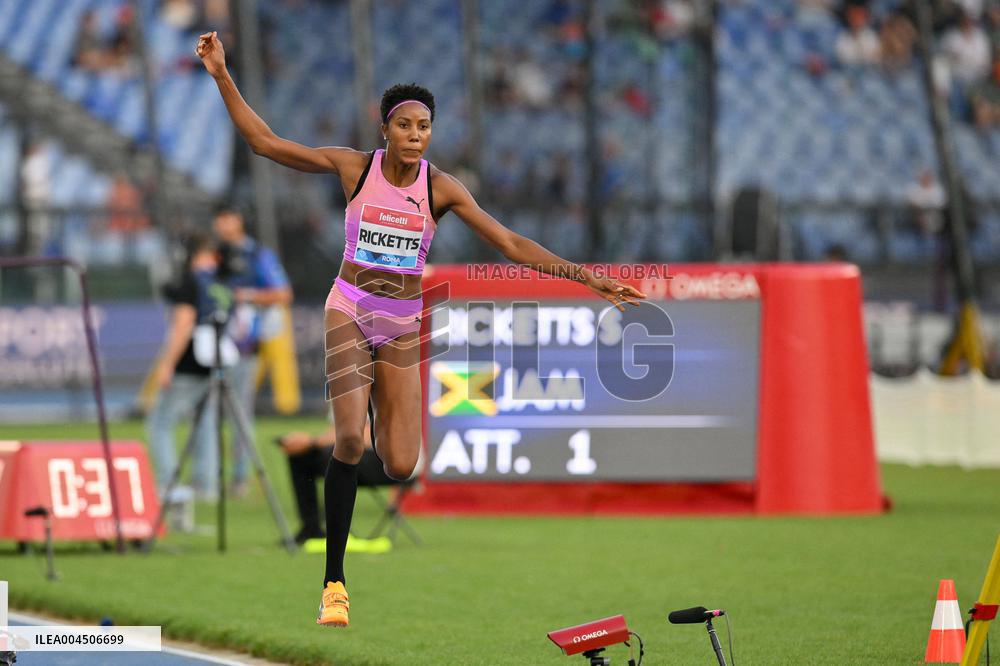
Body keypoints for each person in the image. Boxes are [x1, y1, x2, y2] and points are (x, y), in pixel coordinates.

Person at [196, 30, 646, 628]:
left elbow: (510, 243)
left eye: (424, 127)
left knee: (403, 461)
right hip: (351, 308)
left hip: (402, 325)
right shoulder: (355, 168)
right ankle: (334, 582)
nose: (415, 135)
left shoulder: (442, 188)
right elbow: (263, 142)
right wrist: (223, 73)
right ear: (386, 129)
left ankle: (328, 446)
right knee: (352, 440)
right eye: (405, 125)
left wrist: (591, 279)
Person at [211, 206, 293, 497]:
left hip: (244, 345)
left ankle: (239, 476)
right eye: (219, 219)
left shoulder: (257, 255)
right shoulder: (213, 254)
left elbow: (283, 293)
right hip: (211, 343)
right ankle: (208, 477)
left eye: (227, 217)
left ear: (238, 220)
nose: (223, 225)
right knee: (210, 412)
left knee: (239, 413)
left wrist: (247, 296)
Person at [146, 232, 234, 501]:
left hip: (190, 362)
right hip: (218, 359)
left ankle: (169, 486)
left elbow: (183, 324)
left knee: (160, 422)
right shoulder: (221, 284)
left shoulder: (191, 282)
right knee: (205, 422)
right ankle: (206, 486)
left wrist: (167, 364)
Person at [277, 417, 395, 545]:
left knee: (337, 458)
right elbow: (336, 432)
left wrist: (310, 441)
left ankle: (338, 532)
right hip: (357, 454)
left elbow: (366, 436)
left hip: (390, 461)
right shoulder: (337, 397)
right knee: (301, 456)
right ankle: (311, 528)